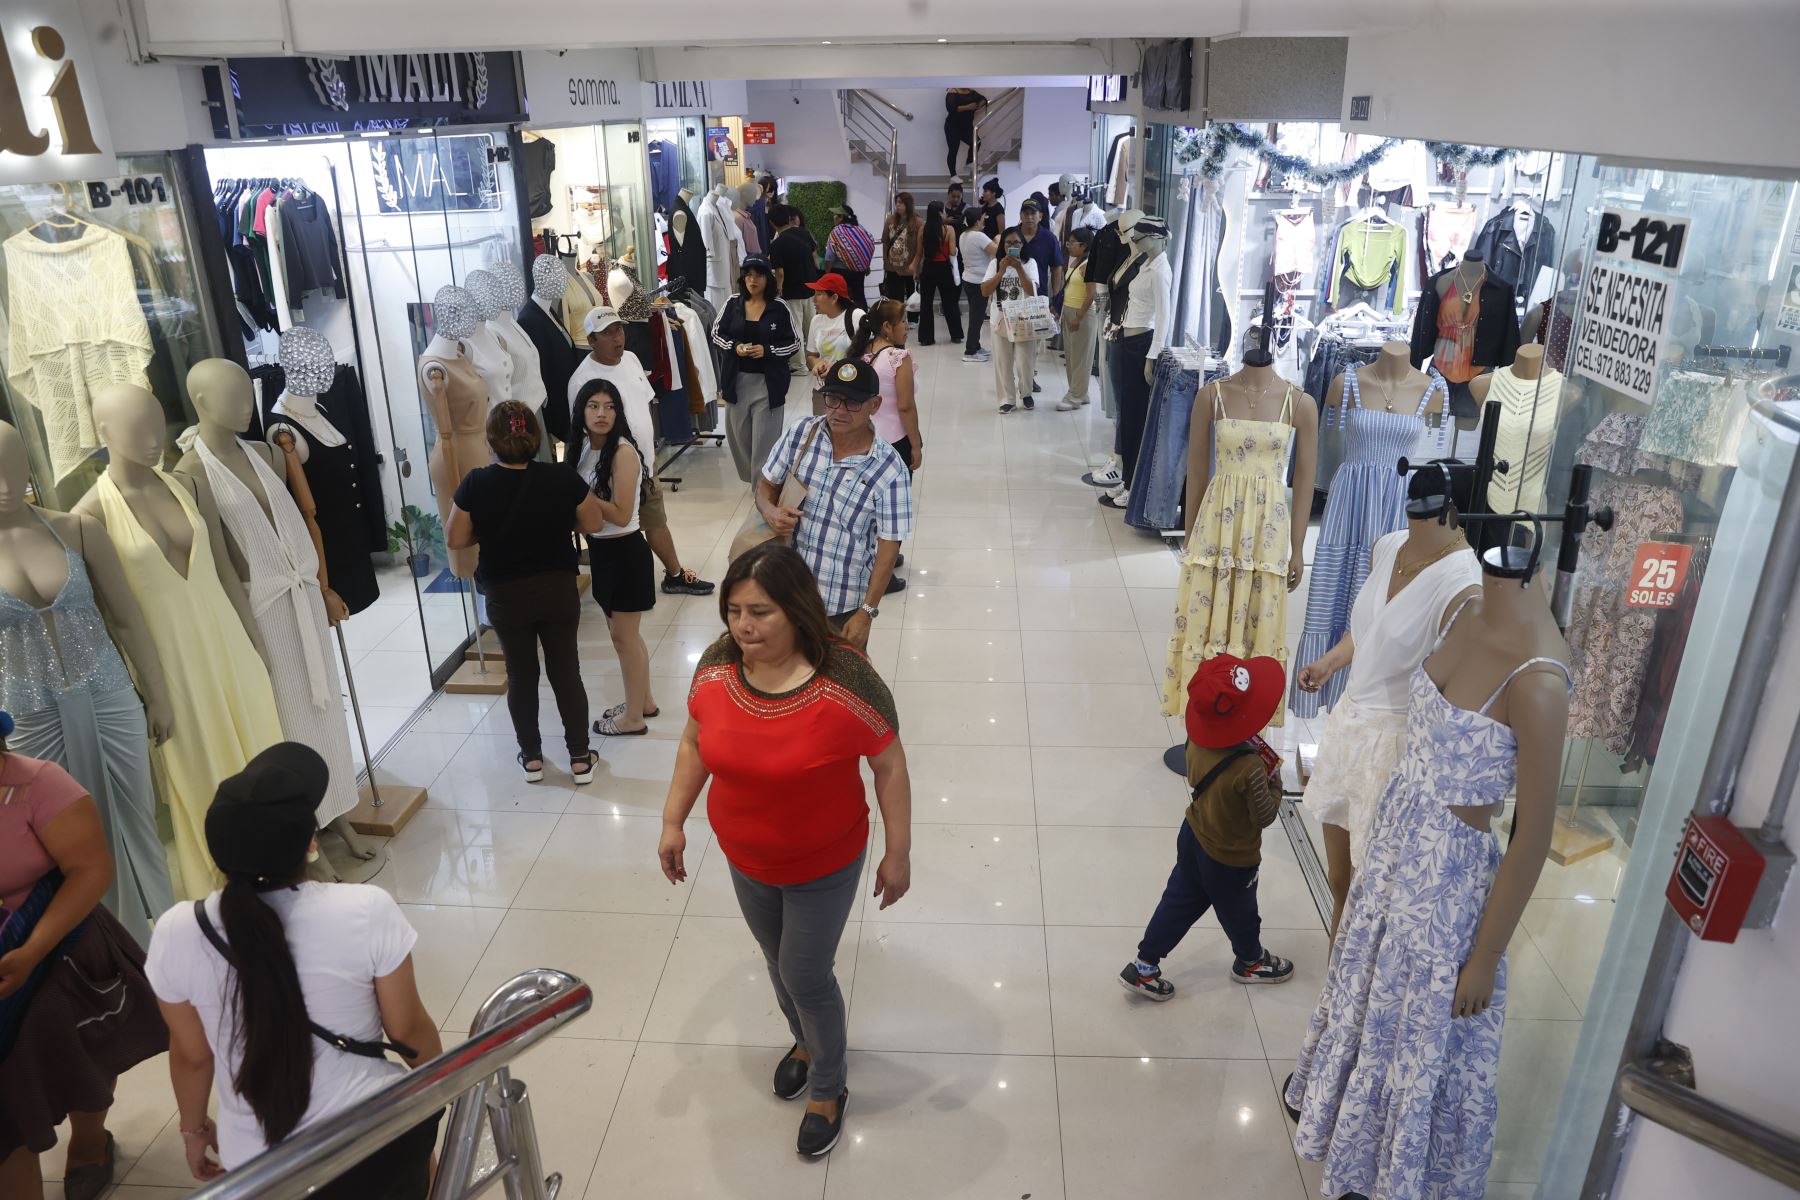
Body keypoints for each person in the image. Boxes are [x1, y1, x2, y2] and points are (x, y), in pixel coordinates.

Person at [657, 542, 912, 1159]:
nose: (743, 626)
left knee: (803, 972)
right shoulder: (717, 666)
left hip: (825, 861)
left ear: (797, 610)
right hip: (746, 858)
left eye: (760, 612)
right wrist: (673, 821)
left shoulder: (845, 679)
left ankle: (828, 1085)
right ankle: (806, 1040)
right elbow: (694, 742)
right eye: (734, 610)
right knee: (776, 963)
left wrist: (898, 852)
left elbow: (889, 765)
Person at [147, 743, 445, 1195]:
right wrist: (445, 1086)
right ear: (310, 844)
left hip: (263, 1167)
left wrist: (194, 1130)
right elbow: (407, 1029)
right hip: (378, 1135)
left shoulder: (178, 931)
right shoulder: (365, 909)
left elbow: (192, 1056)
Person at [0, 712, 165, 1200]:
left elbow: (90, 869)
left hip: (59, 943)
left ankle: (90, 1143)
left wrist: (31, 950)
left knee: (82, 1055)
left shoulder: (40, 784)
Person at [1119, 654, 1296, 1002]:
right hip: (1231, 856)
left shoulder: (1198, 738)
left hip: (1194, 834)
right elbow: (1264, 816)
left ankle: (1144, 965)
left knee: (1178, 902)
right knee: (1242, 913)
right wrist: (1274, 781)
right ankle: (1251, 962)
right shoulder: (1250, 766)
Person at [448, 401, 605, 782]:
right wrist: (558, 522)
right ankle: (580, 758)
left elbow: (455, 538)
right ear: (535, 439)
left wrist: (489, 530)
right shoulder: (561, 477)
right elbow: (594, 523)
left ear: (490, 441)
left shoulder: (476, 483)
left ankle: (532, 758)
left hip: (505, 593)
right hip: (557, 587)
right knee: (565, 671)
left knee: (520, 674)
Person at [755, 359, 912, 645]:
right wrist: (770, 511)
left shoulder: (889, 469)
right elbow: (766, 485)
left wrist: (866, 612)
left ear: (874, 405)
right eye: (832, 399)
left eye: (852, 403)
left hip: (841, 605)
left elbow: (889, 544)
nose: (839, 410)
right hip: (784, 593)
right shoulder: (801, 433)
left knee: (839, 674)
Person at [567, 306, 715, 597]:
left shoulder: (631, 359)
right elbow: (584, 432)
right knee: (621, 530)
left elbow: (645, 402)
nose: (617, 337)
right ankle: (622, 589)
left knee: (656, 520)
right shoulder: (582, 380)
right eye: (607, 333)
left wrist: (647, 450)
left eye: (618, 329)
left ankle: (675, 575)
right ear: (591, 340)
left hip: (644, 462)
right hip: (612, 471)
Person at [573, 379, 658, 736]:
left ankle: (633, 718)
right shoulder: (584, 448)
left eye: (609, 407)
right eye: (593, 406)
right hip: (603, 551)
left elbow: (622, 514)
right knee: (625, 636)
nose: (601, 414)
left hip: (625, 552)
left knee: (624, 639)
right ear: (581, 411)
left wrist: (579, 496)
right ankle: (644, 702)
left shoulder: (622, 452)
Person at [711, 256, 803, 484]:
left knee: (765, 442)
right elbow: (716, 333)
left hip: (768, 385)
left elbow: (794, 343)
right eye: (748, 275)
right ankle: (754, 481)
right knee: (740, 440)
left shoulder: (779, 307)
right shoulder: (733, 303)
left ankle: (761, 490)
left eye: (758, 275)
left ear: (767, 278)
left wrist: (768, 350)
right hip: (736, 382)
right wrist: (734, 347)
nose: (753, 280)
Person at [982, 227, 1041, 413]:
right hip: (1000, 319)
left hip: (1024, 319)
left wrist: (1018, 268)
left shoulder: (1030, 263)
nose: (1012, 246)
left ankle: (1026, 393)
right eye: (1008, 243)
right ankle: (1007, 399)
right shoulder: (995, 264)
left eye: (1016, 242)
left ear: (1022, 245)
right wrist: (1001, 271)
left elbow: (1032, 291)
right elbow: (985, 291)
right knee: (1003, 362)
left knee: (1025, 361)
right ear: (1003, 245)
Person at [767, 204, 820, 374]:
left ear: (772, 223)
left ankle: (799, 366)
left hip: (792, 290)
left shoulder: (777, 244)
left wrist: (778, 289)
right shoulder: (804, 233)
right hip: (811, 287)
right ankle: (815, 361)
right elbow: (814, 257)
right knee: (812, 326)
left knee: (795, 328)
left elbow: (780, 273)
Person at [805, 273, 866, 416]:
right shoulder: (816, 321)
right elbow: (811, 355)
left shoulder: (856, 316)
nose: (814, 300)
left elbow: (869, 356)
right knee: (823, 428)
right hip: (822, 391)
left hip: (851, 390)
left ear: (834, 298)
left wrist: (838, 367)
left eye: (819, 294)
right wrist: (817, 363)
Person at [1056, 227, 1098, 411]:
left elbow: (1091, 294)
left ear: (1084, 245)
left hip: (1082, 314)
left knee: (1080, 357)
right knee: (1072, 356)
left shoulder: (1089, 264)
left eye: (1073, 243)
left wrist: (1079, 316)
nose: (1069, 246)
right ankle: (1080, 392)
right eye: (1069, 242)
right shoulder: (1076, 261)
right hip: (1069, 310)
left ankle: (1075, 397)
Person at [913, 200, 964, 348]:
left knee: (926, 304)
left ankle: (926, 338)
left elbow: (919, 254)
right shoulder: (949, 229)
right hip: (944, 269)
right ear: (940, 213)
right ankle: (956, 334)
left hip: (928, 269)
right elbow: (952, 252)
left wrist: (915, 270)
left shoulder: (922, 230)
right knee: (950, 302)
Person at [958, 208, 995, 362]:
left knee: (975, 315)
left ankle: (976, 345)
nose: (984, 221)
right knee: (977, 317)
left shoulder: (963, 235)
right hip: (979, 281)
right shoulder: (979, 236)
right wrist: (998, 238)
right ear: (977, 221)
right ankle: (970, 351)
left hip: (968, 279)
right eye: (982, 218)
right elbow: (997, 250)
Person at [1014, 197, 1065, 302]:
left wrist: (1055, 296)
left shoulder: (1049, 238)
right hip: (1014, 295)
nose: (1029, 217)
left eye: (1033, 213)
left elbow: (1056, 267)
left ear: (1040, 216)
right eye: (1026, 213)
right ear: (1020, 216)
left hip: (1039, 296)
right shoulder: (1011, 236)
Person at [823, 206, 874, 308]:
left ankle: (844, 316)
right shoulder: (861, 229)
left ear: (841, 217)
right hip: (859, 272)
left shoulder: (836, 232)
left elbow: (829, 256)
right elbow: (864, 249)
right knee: (859, 296)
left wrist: (826, 274)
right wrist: (866, 265)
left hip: (840, 272)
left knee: (841, 298)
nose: (834, 217)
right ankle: (862, 316)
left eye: (835, 215)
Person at [880, 193, 924, 310]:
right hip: (893, 267)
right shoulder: (890, 220)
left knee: (913, 299)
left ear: (908, 204)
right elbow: (885, 242)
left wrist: (915, 265)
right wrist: (886, 262)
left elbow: (921, 247)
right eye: (897, 202)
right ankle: (898, 318)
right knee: (895, 301)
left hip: (911, 267)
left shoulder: (918, 222)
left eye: (901, 202)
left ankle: (913, 318)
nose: (897, 205)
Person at [943, 87, 986, 176]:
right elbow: (951, 108)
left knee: (976, 142)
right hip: (952, 127)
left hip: (967, 127)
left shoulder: (971, 92)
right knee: (953, 150)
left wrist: (978, 106)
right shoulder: (953, 92)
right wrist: (968, 107)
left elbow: (983, 99)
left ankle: (969, 162)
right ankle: (953, 175)